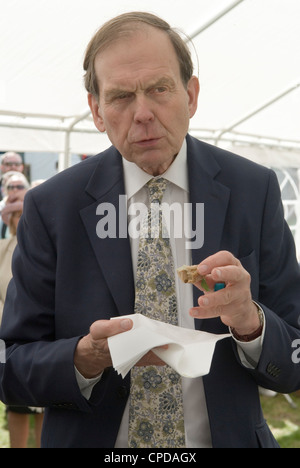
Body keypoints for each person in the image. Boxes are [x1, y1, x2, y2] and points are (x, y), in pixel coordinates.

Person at [0, 12, 300, 449]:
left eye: (160, 89)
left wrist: (251, 324)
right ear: (97, 110)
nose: (143, 113)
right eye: (121, 96)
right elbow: (11, 366)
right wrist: (83, 359)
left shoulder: (253, 190)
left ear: (191, 95)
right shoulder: (51, 208)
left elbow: (293, 355)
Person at [0, 196, 44, 448]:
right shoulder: (3, 247)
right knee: (15, 402)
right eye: (16, 214)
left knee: (44, 402)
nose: (22, 218)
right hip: (7, 334)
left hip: (42, 335)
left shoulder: (44, 245)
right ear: (10, 220)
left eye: (24, 213)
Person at [0, 173, 29, 239]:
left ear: (27, 189)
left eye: (20, 187)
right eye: (11, 187)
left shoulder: (32, 206)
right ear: (6, 190)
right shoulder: (1, 206)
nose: (15, 190)